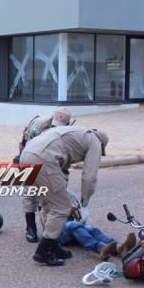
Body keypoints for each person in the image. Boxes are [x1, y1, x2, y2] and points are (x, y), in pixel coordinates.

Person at [20, 125, 109, 266]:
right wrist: (85, 202)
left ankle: (54, 246)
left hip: (26, 155)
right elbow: (89, 177)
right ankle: (43, 251)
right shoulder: (95, 142)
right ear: (102, 143)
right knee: (62, 207)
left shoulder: (77, 133)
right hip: (43, 159)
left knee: (49, 203)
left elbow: (62, 165)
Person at [21, 107, 71, 243]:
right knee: (30, 192)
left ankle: (48, 231)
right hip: (30, 156)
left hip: (50, 162)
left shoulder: (67, 132)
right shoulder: (39, 125)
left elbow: (64, 156)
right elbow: (26, 144)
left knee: (48, 195)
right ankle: (30, 228)